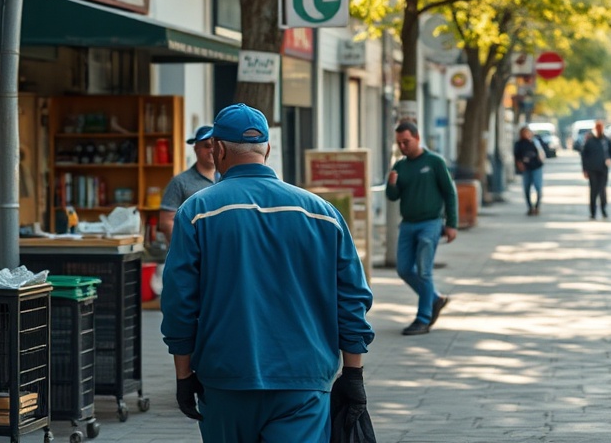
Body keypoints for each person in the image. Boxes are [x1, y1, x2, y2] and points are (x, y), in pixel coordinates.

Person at [161, 104, 374, 442]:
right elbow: (351, 298)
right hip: (303, 381)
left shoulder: (196, 213)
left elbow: (178, 302)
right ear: (268, 150)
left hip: (226, 378)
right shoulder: (323, 214)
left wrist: (183, 375)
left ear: (216, 148)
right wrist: (353, 374)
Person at [387, 120, 458, 336]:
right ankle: (435, 298)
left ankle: (423, 318)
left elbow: (449, 192)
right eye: (399, 143)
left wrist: (452, 224)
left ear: (417, 138)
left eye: (406, 141)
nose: (403, 146)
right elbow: (393, 197)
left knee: (424, 270)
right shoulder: (399, 165)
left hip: (431, 223)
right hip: (408, 224)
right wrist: (391, 183)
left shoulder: (434, 161)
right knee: (404, 269)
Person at [158, 124, 216, 242]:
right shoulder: (179, 182)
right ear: (196, 149)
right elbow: (166, 222)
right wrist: (183, 250)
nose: (211, 150)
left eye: (215, 145)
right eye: (206, 146)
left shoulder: (227, 179)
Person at [581, 120, 611, 219]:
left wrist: (610, 159)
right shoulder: (590, 141)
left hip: (603, 169)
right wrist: (585, 170)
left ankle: (603, 209)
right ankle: (593, 212)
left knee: (602, 191)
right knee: (593, 191)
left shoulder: (606, 140)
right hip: (592, 170)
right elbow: (584, 156)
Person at [513, 126, 545, 216]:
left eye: (528, 132)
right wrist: (520, 165)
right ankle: (530, 207)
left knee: (538, 187)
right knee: (527, 188)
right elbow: (516, 156)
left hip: (537, 167)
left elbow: (542, 152)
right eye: (524, 133)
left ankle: (537, 206)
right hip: (526, 169)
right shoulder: (519, 144)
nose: (526, 134)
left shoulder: (535, 142)